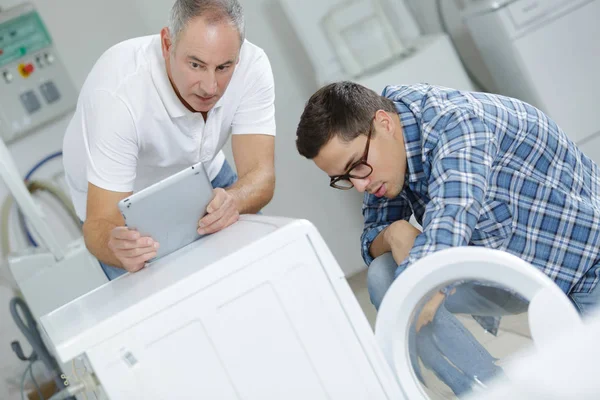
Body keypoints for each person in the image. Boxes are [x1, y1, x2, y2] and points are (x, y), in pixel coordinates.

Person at [295, 81, 600, 395]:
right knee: (384, 275)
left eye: (356, 167)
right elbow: (373, 238)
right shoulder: (386, 150)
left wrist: (415, 298)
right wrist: (395, 233)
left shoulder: (458, 124)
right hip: (510, 271)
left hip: (587, 266)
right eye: (344, 179)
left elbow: (447, 230)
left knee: (415, 286)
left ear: (384, 123)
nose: (360, 185)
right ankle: (489, 388)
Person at [62, 0, 276, 280]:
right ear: (167, 44)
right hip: (121, 207)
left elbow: (261, 176)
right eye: (196, 65)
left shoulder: (251, 65)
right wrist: (119, 249)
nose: (210, 87)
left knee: (264, 271)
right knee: (167, 309)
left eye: (224, 67)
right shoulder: (117, 95)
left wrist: (234, 199)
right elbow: (98, 225)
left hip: (202, 173)